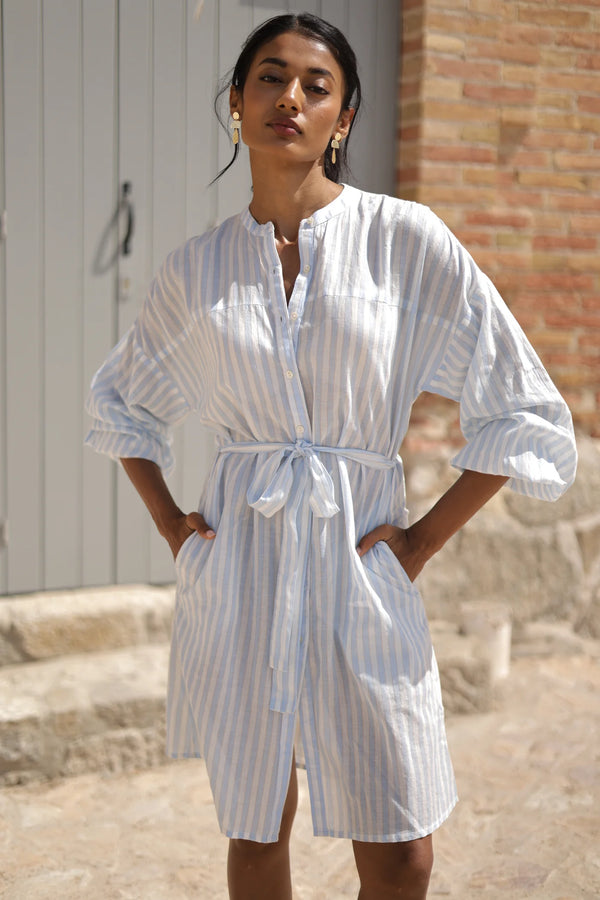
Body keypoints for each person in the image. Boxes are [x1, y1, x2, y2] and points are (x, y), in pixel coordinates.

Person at [85, 13, 577, 900]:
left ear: (344, 117)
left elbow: (523, 403)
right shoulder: (195, 270)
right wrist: (175, 529)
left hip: (359, 563)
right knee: (255, 819)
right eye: (270, 78)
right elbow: (122, 399)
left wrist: (421, 543)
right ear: (236, 104)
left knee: (402, 850)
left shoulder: (406, 241)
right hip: (242, 562)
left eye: (318, 85)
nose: (292, 98)